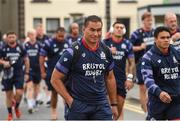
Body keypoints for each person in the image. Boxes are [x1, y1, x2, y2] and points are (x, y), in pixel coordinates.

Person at [51, 15, 118, 120]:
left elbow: (110, 78)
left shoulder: (106, 50)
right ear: (83, 30)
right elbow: (55, 79)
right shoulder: (72, 51)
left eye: (99, 30)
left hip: (101, 105)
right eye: (92, 30)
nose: (96, 34)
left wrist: (113, 104)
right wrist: (70, 101)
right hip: (78, 105)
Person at [141, 26, 180, 120]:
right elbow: (148, 80)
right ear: (155, 39)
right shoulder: (148, 57)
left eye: (168, 37)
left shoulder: (176, 53)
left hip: (176, 100)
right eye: (162, 38)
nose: (166, 40)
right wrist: (160, 93)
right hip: (157, 101)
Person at [103, 21, 135, 120]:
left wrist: (129, 79)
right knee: (109, 110)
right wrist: (108, 51)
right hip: (106, 79)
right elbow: (97, 58)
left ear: (124, 30)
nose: (119, 29)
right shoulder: (105, 42)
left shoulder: (127, 43)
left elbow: (132, 63)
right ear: (112, 29)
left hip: (121, 80)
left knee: (118, 112)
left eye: (122, 27)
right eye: (117, 27)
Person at [39, 27, 69, 120]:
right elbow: (41, 57)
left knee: (67, 92)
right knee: (54, 92)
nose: (61, 38)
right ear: (56, 34)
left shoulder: (67, 43)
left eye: (62, 36)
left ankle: (67, 110)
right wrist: (42, 71)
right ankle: (53, 111)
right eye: (59, 36)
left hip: (66, 73)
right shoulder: (49, 43)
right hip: (53, 72)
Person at [0, 31, 30, 121]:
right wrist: (4, 62)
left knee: (19, 93)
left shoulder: (20, 47)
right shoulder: (3, 48)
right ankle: (10, 114)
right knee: (8, 95)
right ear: (7, 38)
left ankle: (16, 107)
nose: (11, 39)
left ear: (16, 37)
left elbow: (26, 60)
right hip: (7, 74)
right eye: (10, 37)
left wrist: (27, 73)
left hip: (19, 73)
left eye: (13, 37)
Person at [130, 11, 155, 112]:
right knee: (143, 87)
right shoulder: (136, 33)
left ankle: (150, 108)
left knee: (153, 87)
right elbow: (129, 47)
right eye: (148, 20)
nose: (150, 22)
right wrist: (140, 47)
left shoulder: (155, 32)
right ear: (143, 21)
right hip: (141, 63)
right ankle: (146, 112)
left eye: (151, 20)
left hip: (154, 63)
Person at [24, 29, 42, 113]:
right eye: (30, 34)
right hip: (29, 69)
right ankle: (30, 105)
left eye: (33, 34)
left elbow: (42, 57)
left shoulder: (39, 45)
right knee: (30, 86)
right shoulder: (25, 45)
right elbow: (23, 57)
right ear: (28, 35)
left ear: (35, 35)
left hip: (37, 69)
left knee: (36, 87)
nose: (32, 36)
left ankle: (34, 102)